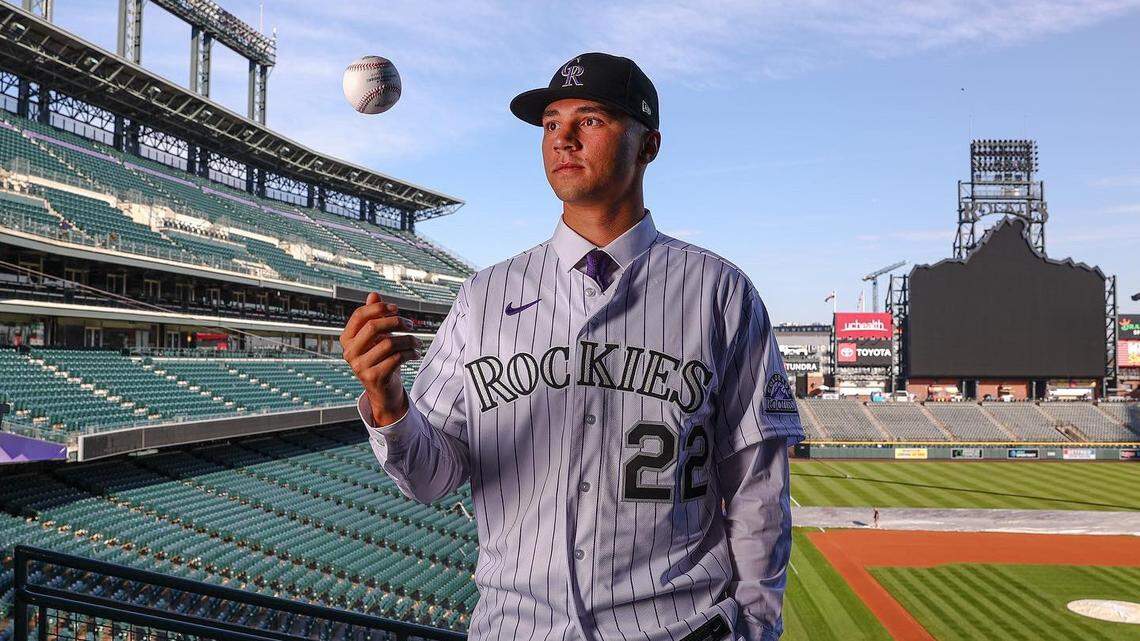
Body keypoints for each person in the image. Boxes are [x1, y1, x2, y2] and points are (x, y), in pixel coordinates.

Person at [340, 52, 804, 641]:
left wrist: (757, 631)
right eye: (551, 122)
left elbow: (757, 487)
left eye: (589, 120)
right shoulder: (485, 296)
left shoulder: (721, 292)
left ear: (648, 146)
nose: (562, 138)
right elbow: (431, 478)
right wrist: (388, 403)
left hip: (675, 627)